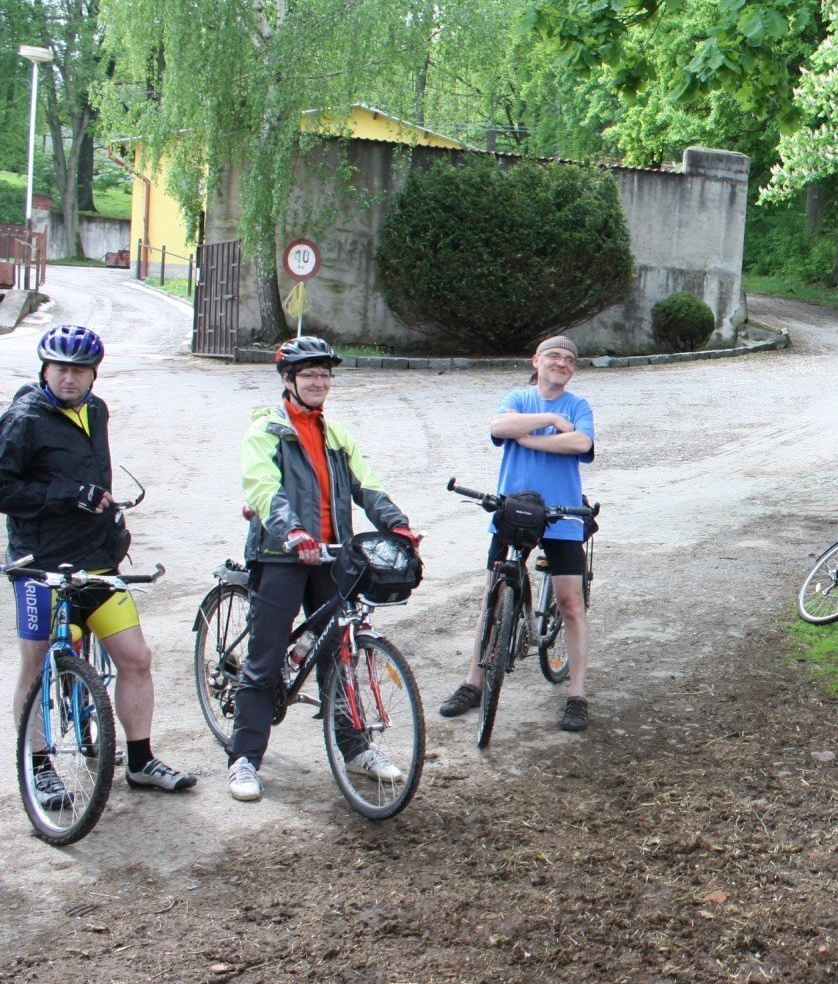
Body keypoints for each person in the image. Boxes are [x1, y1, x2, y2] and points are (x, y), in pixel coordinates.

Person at [0, 324, 194, 806]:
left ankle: (142, 760)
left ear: (93, 376)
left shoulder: (97, 411)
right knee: (38, 659)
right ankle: (40, 764)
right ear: (44, 369)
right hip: (39, 564)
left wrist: (110, 522)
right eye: (60, 368)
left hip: (94, 562)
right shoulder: (24, 418)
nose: (69, 378)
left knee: (136, 658)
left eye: (79, 370)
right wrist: (68, 495)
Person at [226, 337, 419, 803]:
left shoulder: (336, 435)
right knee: (264, 659)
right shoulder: (267, 432)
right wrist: (293, 534)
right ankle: (244, 759)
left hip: (332, 555)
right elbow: (263, 490)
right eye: (309, 374)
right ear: (289, 380)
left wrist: (397, 524)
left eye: (325, 375)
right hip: (281, 554)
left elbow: (367, 486)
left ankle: (354, 748)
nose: (319, 382)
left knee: (339, 655)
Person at [438, 335, 596, 732]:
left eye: (569, 359)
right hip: (513, 511)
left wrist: (526, 439)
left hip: (563, 515)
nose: (561, 363)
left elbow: (582, 441)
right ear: (537, 361)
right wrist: (548, 422)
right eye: (554, 356)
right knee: (492, 598)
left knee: (570, 602)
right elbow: (498, 425)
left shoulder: (579, 405)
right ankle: (473, 683)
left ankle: (577, 695)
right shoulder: (519, 398)